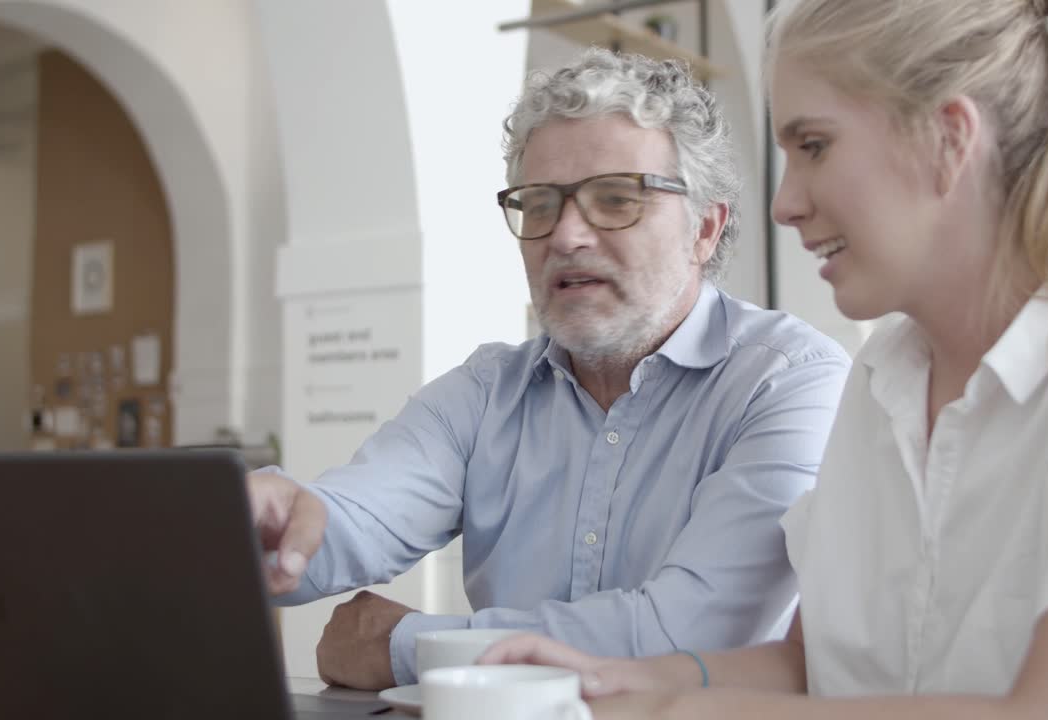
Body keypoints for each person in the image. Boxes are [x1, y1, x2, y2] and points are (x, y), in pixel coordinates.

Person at [479, 1, 1048, 718]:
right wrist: (618, 682)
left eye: (812, 146)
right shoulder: (881, 381)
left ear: (948, 138)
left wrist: (694, 714)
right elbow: (816, 666)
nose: (784, 203)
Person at [248, 48, 850, 690]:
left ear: (705, 228)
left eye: (615, 199)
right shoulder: (485, 393)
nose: (565, 236)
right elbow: (347, 522)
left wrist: (403, 646)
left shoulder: (787, 381)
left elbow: (687, 635)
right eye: (539, 205)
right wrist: (272, 524)